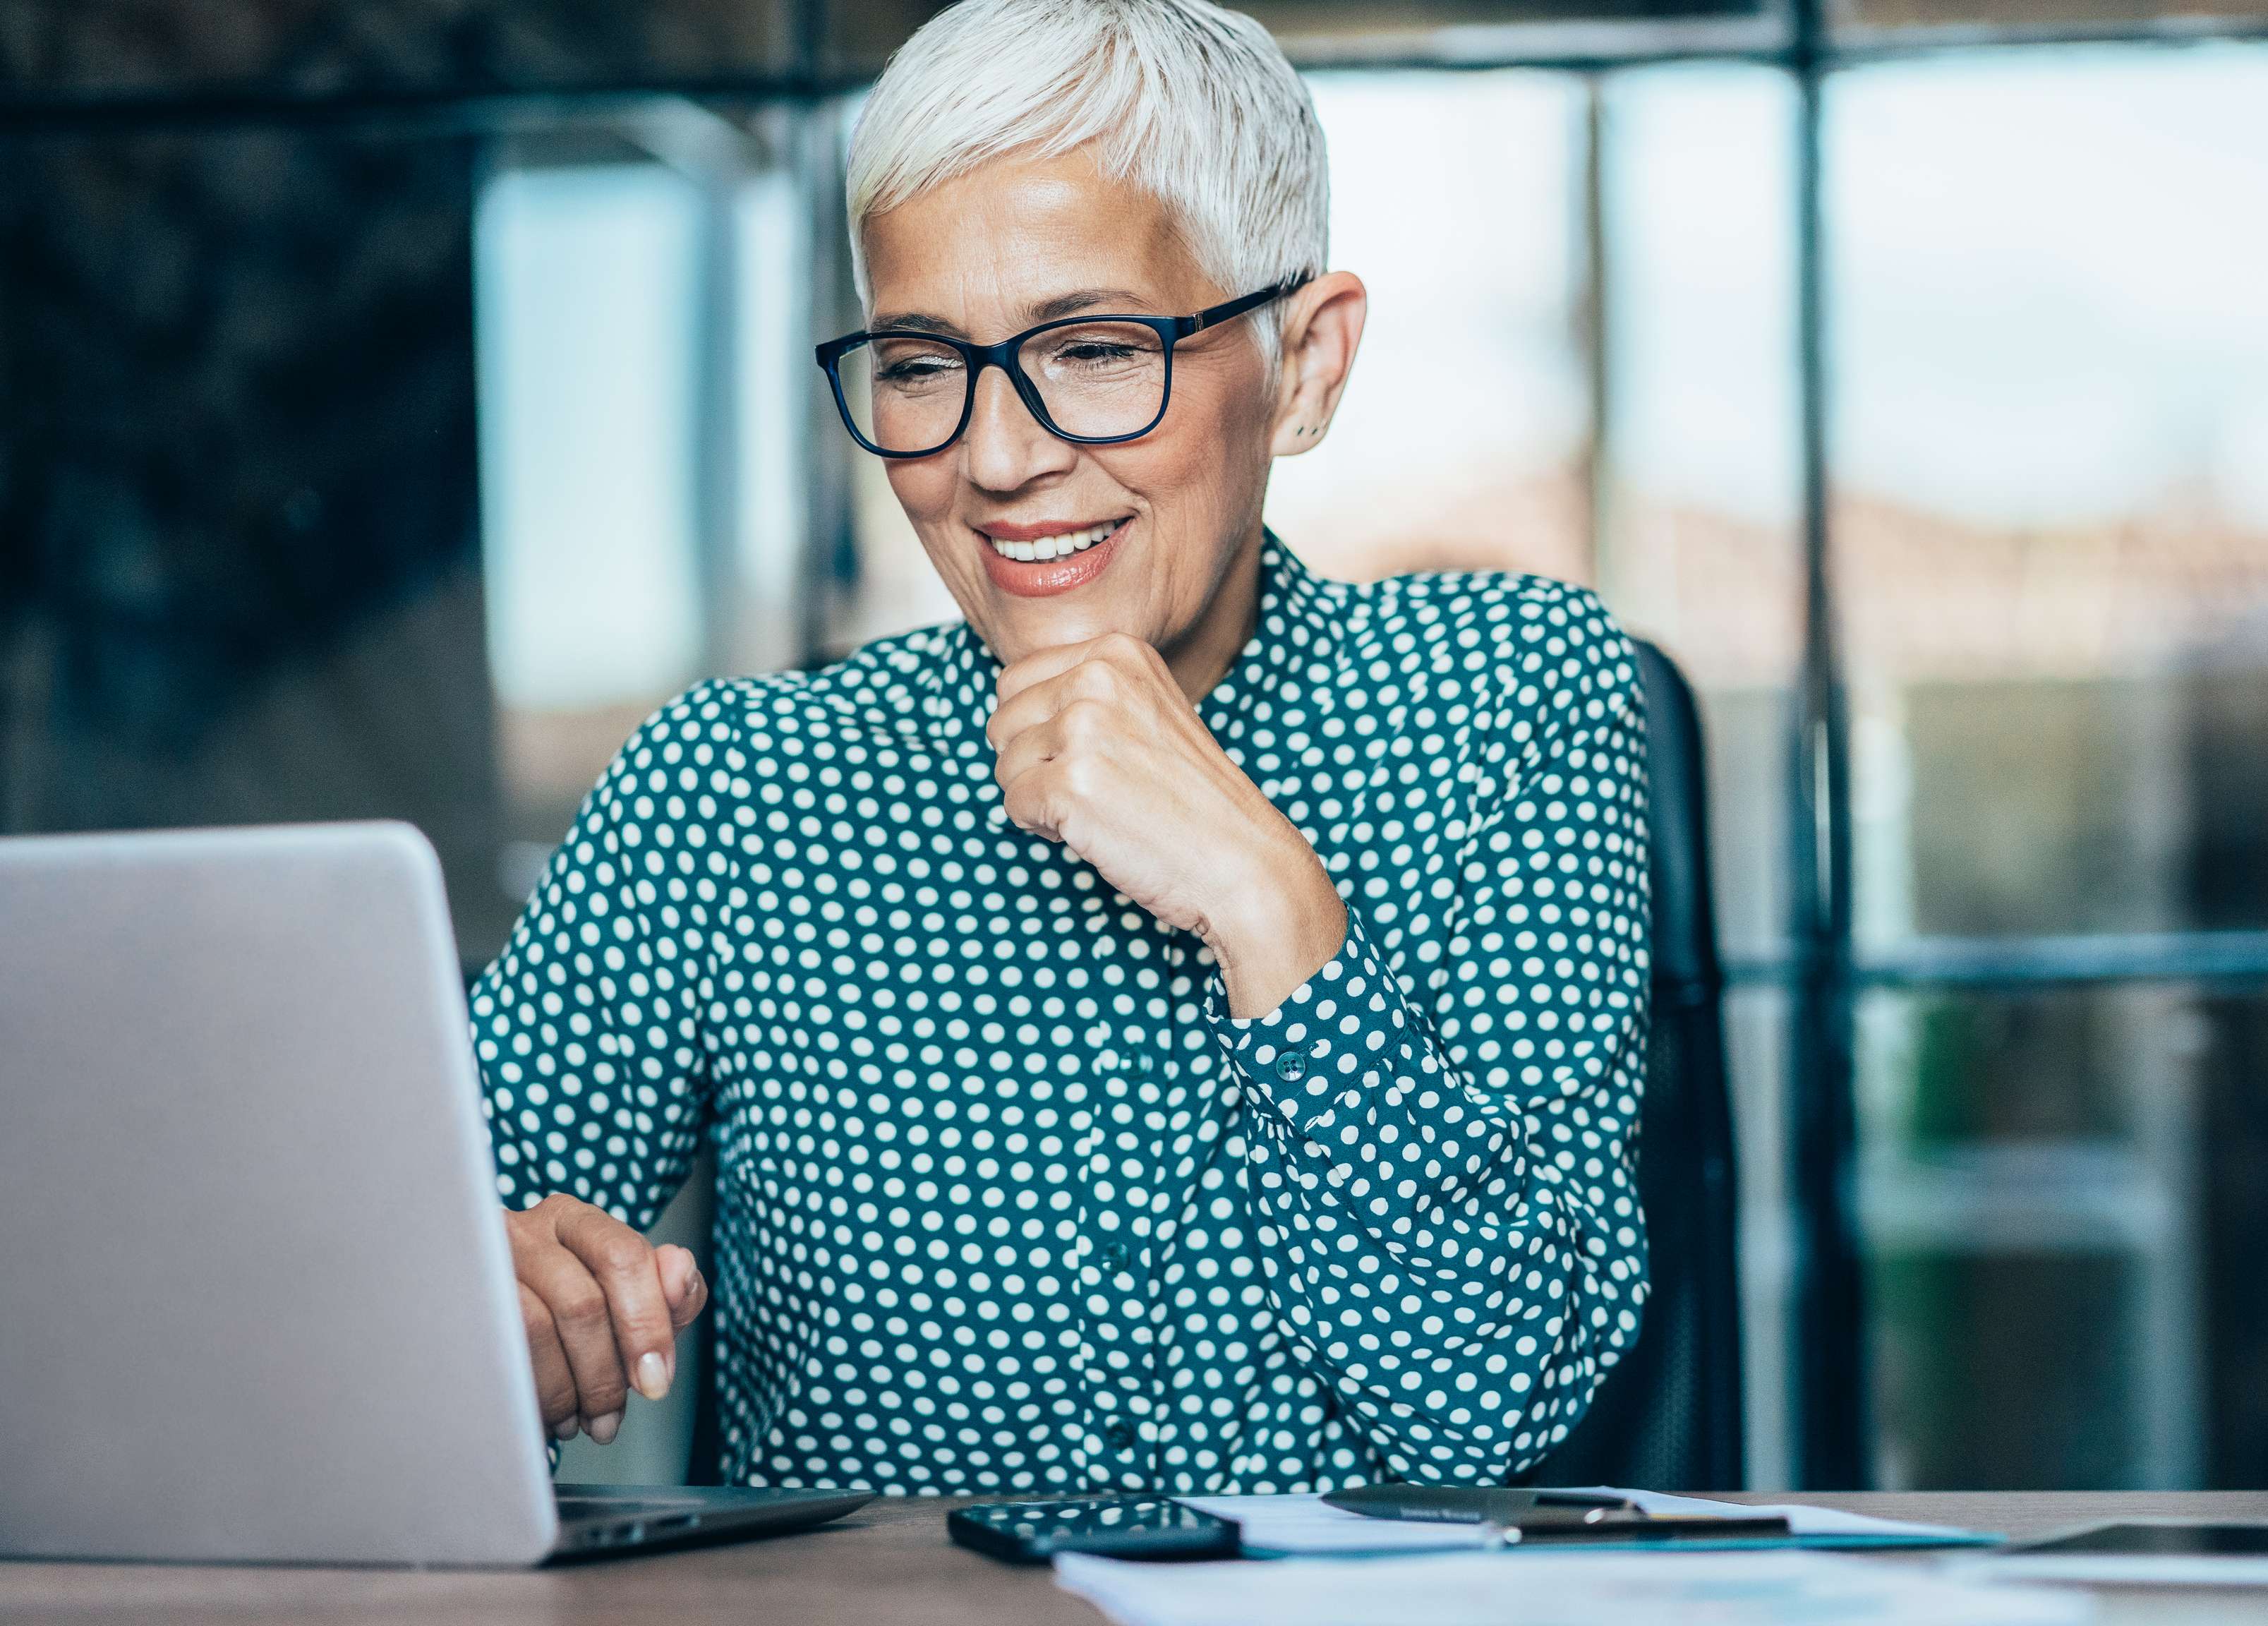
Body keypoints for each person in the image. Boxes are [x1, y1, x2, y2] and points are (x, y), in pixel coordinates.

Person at [473, 0, 1653, 1495]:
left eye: (1094, 350)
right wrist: (479, 1290)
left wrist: (1271, 909)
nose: (996, 459)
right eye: (918, 368)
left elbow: (1488, 1407)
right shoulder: (733, 789)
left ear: (1307, 367)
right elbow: (388, 1283)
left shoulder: (1502, 699)